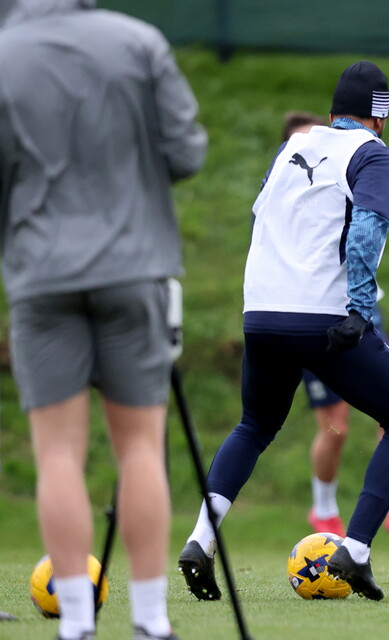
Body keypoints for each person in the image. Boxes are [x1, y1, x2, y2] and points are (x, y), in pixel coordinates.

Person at [178, 60, 389, 602]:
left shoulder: (291, 147)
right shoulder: (375, 155)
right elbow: (366, 230)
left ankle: (201, 538)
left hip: (262, 312)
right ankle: (356, 550)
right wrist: (359, 307)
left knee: (254, 425)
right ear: (380, 118)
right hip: (323, 314)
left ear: (334, 110)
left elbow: (261, 219)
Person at [0, 1, 207, 638]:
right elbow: (186, 152)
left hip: (41, 274)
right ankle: (150, 621)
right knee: (140, 446)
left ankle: (77, 626)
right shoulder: (139, 40)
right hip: (133, 265)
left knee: (57, 453)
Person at [278, 112, 389, 542]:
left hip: (362, 312)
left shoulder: (347, 176)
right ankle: (323, 511)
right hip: (308, 315)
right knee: (335, 426)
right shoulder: (281, 200)